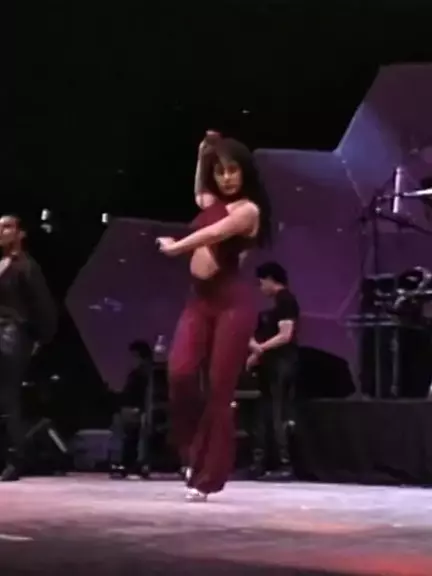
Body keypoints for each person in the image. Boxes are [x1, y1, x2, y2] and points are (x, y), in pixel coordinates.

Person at [157, 131, 272, 501]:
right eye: (220, 172)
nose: (226, 178)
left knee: (220, 390)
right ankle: (192, 454)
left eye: (232, 170)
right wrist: (202, 154)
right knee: (180, 373)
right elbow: (200, 193)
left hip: (232, 303)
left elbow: (211, 233)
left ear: (245, 171)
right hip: (199, 302)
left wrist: (177, 247)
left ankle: (207, 478)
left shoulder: (248, 211)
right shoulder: (213, 201)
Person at [0, 215, 57, 481]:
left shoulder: (26, 266)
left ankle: (15, 459)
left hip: (12, 332)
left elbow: (43, 306)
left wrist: (39, 338)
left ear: (20, 233)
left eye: (7, 227)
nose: (1, 231)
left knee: (7, 396)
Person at [247, 262, 300, 478]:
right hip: (271, 363)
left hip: (282, 362)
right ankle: (265, 461)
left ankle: (284, 463)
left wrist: (259, 349)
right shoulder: (277, 302)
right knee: (267, 411)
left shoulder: (286, 300)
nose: (261, 288)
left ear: (270, 279)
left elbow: (285, 335)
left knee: (278, 412)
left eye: (261, 283)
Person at [109, 340, 152, 479]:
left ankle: (130, 464)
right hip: (133, 408)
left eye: (133, 356)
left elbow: (138, 394)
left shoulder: (142, 374)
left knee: (132, 437)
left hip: (136, 409)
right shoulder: (139, 373)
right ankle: (129, 464)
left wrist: (138, 409)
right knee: (130, 437)